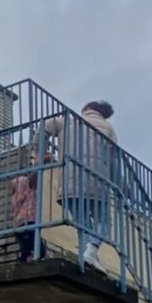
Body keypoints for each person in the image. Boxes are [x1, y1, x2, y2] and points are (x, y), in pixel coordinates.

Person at [41, 101, 117, 269]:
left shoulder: (68, 120)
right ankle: (91, 252)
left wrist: (41, 152)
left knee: (82, 225)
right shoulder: (108, 129)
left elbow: (43, 128)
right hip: (98, 184)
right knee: (104, 221)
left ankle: (88, 257)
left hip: (70, 183)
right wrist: (120, 185)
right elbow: (113, 162)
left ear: (88, 109)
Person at [9, 150, 48, 263]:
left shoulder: (14, 189)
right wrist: (42, 162)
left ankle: (25, 258)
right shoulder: (26, 181)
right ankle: (31, 259)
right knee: (40, 250)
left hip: (17, 224)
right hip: (29, 221)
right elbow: (34, 176)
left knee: (25, 249)